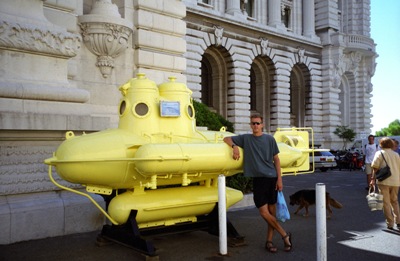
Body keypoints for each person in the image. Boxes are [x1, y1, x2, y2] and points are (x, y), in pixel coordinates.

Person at [223, 114, 292, 253]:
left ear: (262, 125)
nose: (255, 126)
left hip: (272, 178)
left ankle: (269, 241)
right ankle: (285, 235)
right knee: (264, 212)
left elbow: (276, 160)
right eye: (253, 123)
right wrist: (235, 147)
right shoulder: (246, 138)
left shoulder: (269, 139)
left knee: (271, 213)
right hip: (258, 180)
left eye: (258, 123)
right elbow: (226, 138)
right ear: (251, 125)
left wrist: (280, 179)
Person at [370, 137, 400, 230]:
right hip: (395, 181)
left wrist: (372, 179)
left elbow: (375, 167)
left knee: (386, 203)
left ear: (381, 144)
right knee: (394, 201)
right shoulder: (396, 154)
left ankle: (390, 223)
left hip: (384, 181)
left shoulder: (379, 153)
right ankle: (398, 221)